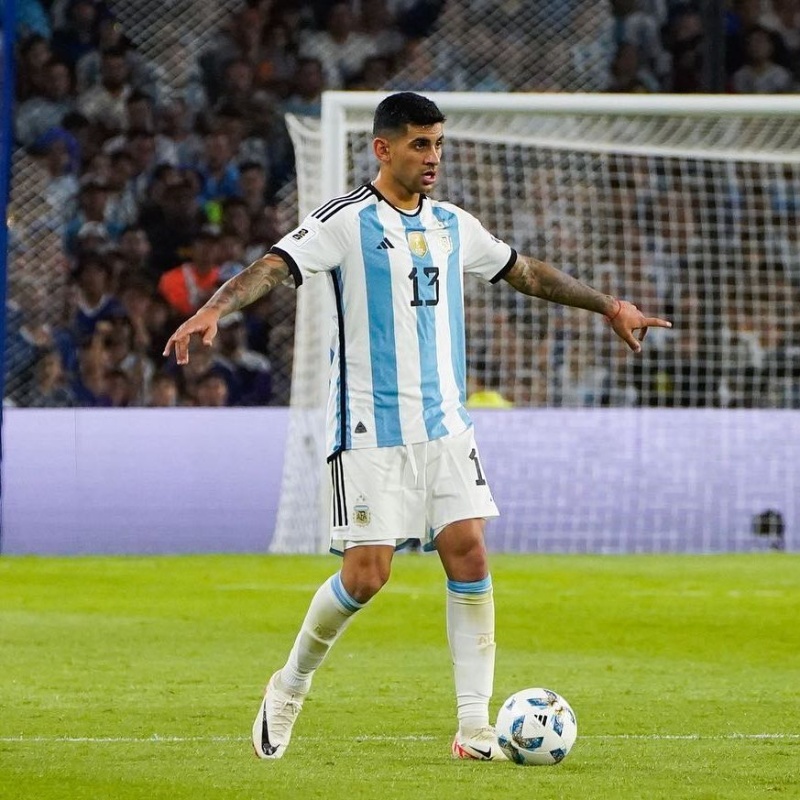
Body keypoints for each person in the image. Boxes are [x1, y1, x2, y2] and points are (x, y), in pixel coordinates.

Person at [163, 92, 671, 762]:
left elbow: (526, 273)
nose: (433, 158)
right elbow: (273, 266)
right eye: (420, 145)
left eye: (438, 144)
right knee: (368, 576)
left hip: (446, 426)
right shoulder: (347, 221)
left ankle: (474, 727)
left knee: (470, 551)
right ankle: (290, 684)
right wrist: (215, 310)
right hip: (371, 426)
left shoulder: (454, 225)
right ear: (383, 148)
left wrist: (608, 305)